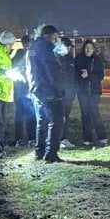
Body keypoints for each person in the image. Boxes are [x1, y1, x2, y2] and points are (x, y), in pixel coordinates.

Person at [26, 24, 66, 163]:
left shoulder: (32, 48)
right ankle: (51, 153)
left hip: (36, 90)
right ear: (48, 37)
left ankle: (39, 151)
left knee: (42, 121)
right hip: (48, 90)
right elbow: (52, 70)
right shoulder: (46, 48)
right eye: (55, 38)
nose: (56, 42)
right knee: (57, 120)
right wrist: (59, 89)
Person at [76, 40, 108, 147]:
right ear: (83, 48)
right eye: (86, 47)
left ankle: (102, 136)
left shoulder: (97, 60)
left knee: (94, 113)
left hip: (94, 92)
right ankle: (87, 139)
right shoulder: (79, 59)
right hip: (82, 92)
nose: (88, 49)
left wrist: (89, 75)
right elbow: (75, 74)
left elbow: (101, 76)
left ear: (93, 49)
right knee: (85, 115)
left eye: (90, 47)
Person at [12, 35, 35, 146]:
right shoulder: (18, 55)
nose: (28, 46)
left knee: (32, 115)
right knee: (20, 115)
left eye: (29, 44)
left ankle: (32, 138)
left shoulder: (34, 55)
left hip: (31, 90)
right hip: (20, 90)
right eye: (26, 44)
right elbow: (12, 69)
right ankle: (19, 139)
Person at [58, 37, 78, 149]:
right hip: (59, 94)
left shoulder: (70, 59)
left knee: (65, 117)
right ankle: (58, 139)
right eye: (67, 46)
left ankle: (63, 139)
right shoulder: (56, 59)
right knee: (58, 118)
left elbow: (73, 77)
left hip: (68, 94)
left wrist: (73, 91)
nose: (69, 48)